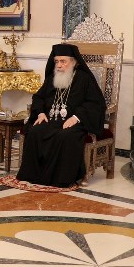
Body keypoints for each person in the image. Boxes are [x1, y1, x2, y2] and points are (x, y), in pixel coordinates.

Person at [16, 43, 106, 188]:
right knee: (35, 131)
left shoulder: (84, 79)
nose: (59, 65)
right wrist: (40, 113)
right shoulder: (52, 77)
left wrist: (76, 118)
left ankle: (61, 179)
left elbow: (95, 103)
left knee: (65, 136)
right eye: (56, 61)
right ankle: (32, 176)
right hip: (50, 120)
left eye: (63, 61)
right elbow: (39, 97)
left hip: (74, 122)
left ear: (74, 62)